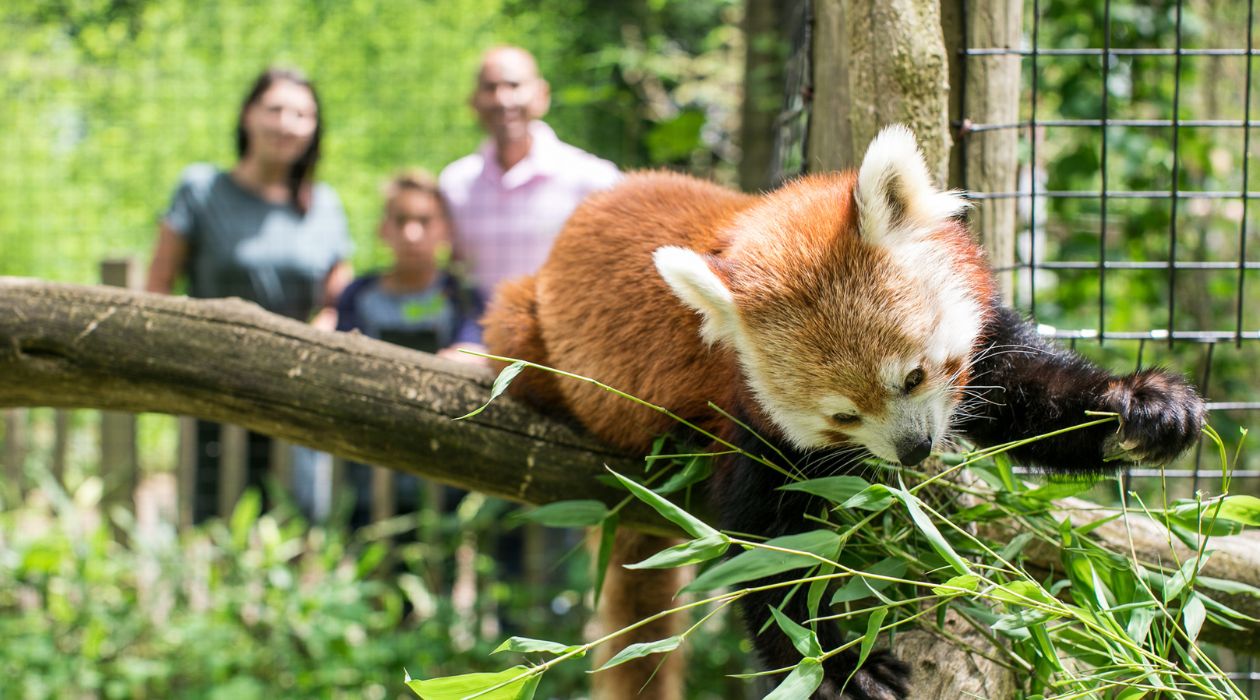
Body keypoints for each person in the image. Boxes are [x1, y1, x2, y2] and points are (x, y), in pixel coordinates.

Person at [146, 67, 353, 523]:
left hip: (296, 394)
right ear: (247, 116)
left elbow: (339, 304)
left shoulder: (325, 207)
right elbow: (158, 287)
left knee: (296, 523)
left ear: (315, 128)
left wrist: (308, 349)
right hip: (214, 387)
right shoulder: (201, 190)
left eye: (302, 113)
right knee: (215, 522)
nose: (287, 123)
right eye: (275, 109)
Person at [335, 170, 485, 528]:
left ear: (445, 229)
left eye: (424, 220)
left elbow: (474, 352)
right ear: (383, 228)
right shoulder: (359, 294)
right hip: (366, 470)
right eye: (401, 220)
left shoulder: (462, 296)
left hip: (443, 475)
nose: (411, 233)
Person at [439, 45, 622, 301]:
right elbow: (450, 274)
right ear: (474, 102)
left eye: (514, 85)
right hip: (476, 337)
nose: (503, 99)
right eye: (490, 88)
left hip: (562, 337)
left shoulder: (594, 180)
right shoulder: (455, 185)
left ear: (541, 95)